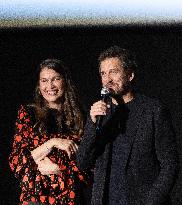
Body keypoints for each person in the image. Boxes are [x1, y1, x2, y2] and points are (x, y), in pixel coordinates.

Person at [76, 46, 179, 205]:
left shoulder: (153, 110)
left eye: (113, 72)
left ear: (130, 75)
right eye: (103, 73)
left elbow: (170, 165)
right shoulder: (100, 113)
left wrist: (152, 201)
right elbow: (82, 163)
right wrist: (92, 123)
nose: (107, 79)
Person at [9, 59, 91, 205]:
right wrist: (52, 143)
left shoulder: (81, 116)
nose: (50, 86)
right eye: (44, 80)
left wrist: (58, 170)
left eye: (55, 79)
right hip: (36, 198)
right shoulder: (28, 113)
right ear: (39, 85)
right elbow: (17, 163)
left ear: (65, 81)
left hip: (71, 198)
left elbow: (88, 168)